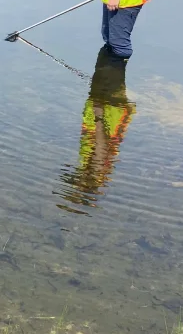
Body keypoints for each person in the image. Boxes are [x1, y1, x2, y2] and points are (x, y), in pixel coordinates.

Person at [56, 47, 136, 211]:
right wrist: (99, 115)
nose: (73, 179)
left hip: (106, 108)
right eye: (74, 185)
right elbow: (101, 148)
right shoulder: (96, 173)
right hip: (109, 107)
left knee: (110, 58)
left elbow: (100, 148)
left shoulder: (95, 174)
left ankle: (117, 49)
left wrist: (98, 114)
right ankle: (117, 50)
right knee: (110, 60)